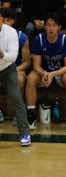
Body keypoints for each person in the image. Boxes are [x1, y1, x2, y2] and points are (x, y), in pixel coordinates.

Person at [26, 13, 66, 130]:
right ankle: (31, 114)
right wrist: (45, 74)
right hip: (43, 73)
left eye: (54, 25)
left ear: (59, 27)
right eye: (48, 25)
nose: (51, 28)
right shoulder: (38, 39)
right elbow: (36, 65)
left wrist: (52, 74)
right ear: (45, 26)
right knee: (31, 77)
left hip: (60, 73)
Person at [0, 8, 30, 144]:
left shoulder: (11, 32)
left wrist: (2, 55)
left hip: (8, 67)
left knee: (16, 97)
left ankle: (25, 133)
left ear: (2, 20)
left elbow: (13, 56)